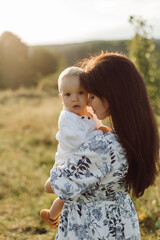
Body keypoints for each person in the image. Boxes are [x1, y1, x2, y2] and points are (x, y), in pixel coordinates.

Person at [46, 52, 159, 239]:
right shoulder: (132, 137)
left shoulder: (101, 147)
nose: (87, 102)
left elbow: (52, 186)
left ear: (110, 95)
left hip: (93, 228)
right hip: (122, 222)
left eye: (91, 96)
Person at [40, 66, 111, 229]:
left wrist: (103, 131)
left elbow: (97, 125)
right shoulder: (67, 118)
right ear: (61, 98)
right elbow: (79, 140)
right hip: (67, 162)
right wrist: (100, 133)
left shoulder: (88, 111)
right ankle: (52, 214)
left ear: (88, 94)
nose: (74, 99)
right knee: (67, 194)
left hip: (81, 161)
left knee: (73, 194)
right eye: (68, 94)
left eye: (80, 93)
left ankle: (53, 215)